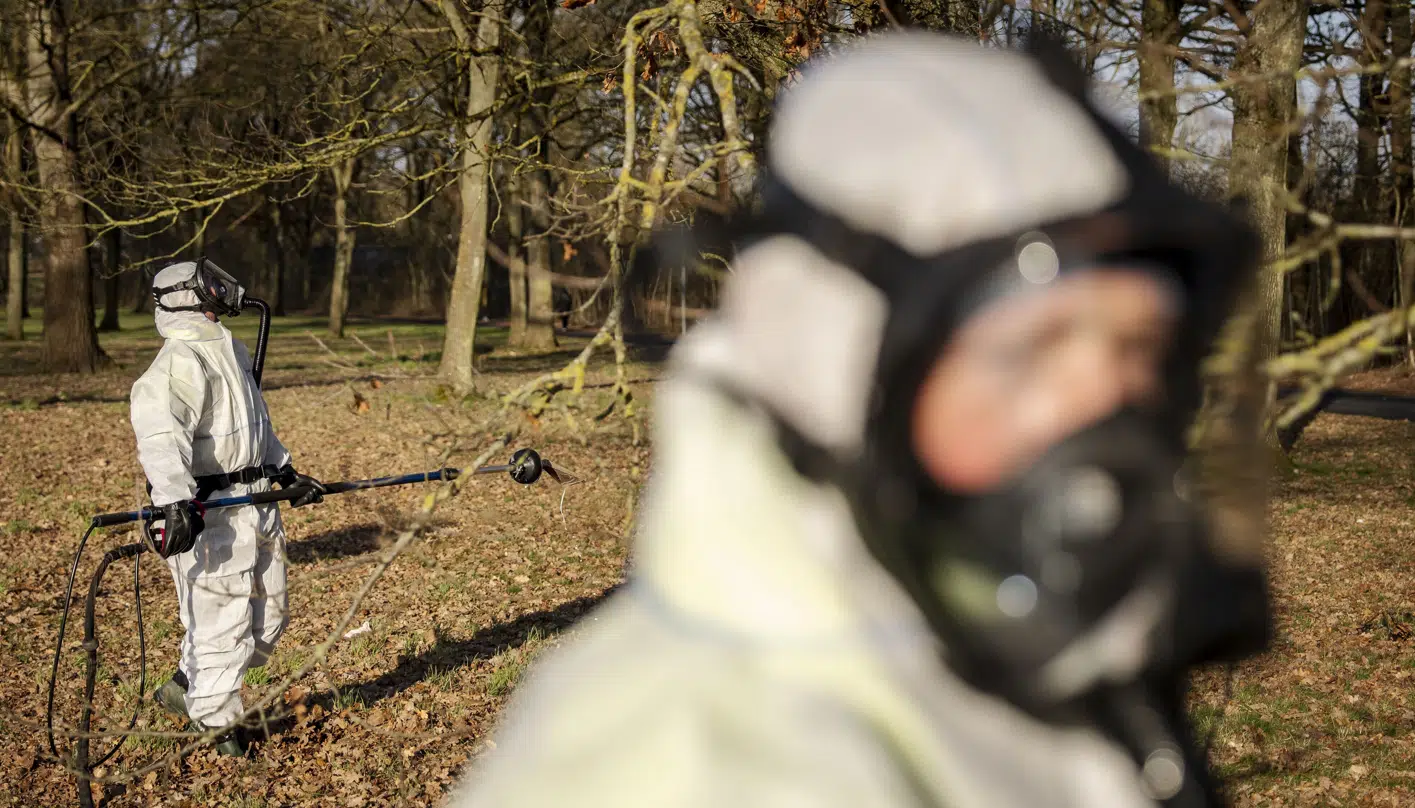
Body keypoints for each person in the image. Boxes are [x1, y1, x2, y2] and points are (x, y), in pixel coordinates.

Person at [453, 31, 1271, 808]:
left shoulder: (987, 625)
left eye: (1141, 351)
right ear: (838, 381)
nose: (1110, 426)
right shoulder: (700, 767)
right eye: (1026, 355)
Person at [129, 259, 326, 756]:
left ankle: (185, 684)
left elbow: (255, 421)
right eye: (211, 285)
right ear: (185, 296)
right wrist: (174, 502)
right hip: (211, 514)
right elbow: (159, 438)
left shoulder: (230, 350)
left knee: (268, 619)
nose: (222, 290)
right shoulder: (176, 365)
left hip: (258, 502)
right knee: (223, 621)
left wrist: (284, 471)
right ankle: (215, 723)